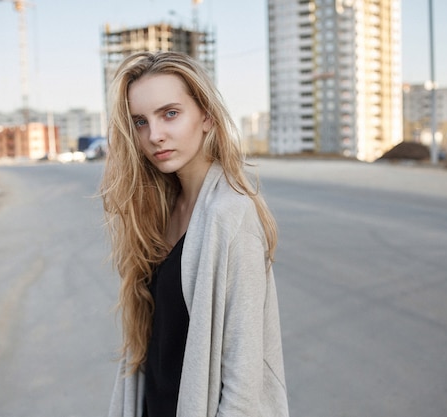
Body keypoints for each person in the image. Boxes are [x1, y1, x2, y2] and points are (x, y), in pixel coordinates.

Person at [101, 51, 289, 417]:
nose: (155, 135)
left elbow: (243, 380)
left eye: (170, 113)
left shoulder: (231, 215)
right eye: (140, 121)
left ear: (205, 115)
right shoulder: (158, 210)